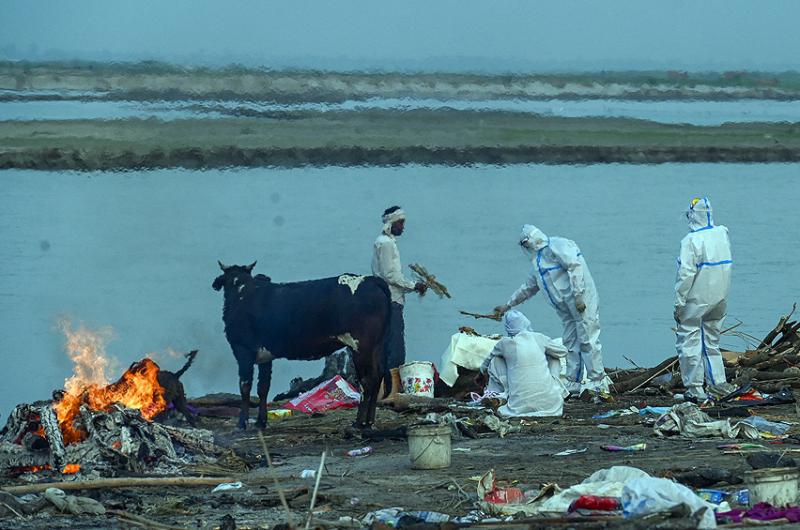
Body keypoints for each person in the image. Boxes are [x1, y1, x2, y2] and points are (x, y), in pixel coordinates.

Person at [493, 224, 606, 395]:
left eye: (526, 243)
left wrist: (578, 295)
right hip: (566, 309)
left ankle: (597, 381)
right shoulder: (538, 263)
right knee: (570, 342)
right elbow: (528, 288)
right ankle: (573, 382)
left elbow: (575, 267)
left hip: (581, 302)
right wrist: (508, 305)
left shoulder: (557, 246)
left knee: (588, 340)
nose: (526, 247)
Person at [674, 197, 732, 402]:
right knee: (712, 341)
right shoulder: (722, 233)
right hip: (720, 297)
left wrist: (679, 302)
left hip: (696, 298)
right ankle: (718, 383)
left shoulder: (690, 241)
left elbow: (685, 274)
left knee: (688, 340)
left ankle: (695, 388)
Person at [372, 206, 427, 392]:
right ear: (392, 223)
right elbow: (390, 275)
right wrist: (414, 285)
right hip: (391, 300)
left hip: (385, 299)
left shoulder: (384, 241)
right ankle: (393, 389)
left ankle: (384, 388)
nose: (403, 227)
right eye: (400, 223)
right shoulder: (386, 243)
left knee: (385, 344)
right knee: (395, 347)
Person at [477, 310, 564, 417]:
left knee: (496, 360)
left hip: (519, 406)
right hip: (550, 405)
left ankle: (499, 393)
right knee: (555, 357)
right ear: (526, 323)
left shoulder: (504, 343)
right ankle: (557, 390)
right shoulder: (539, 337)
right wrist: (543, 351)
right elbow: (563, 351)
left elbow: (486, 363)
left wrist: (480, 373)